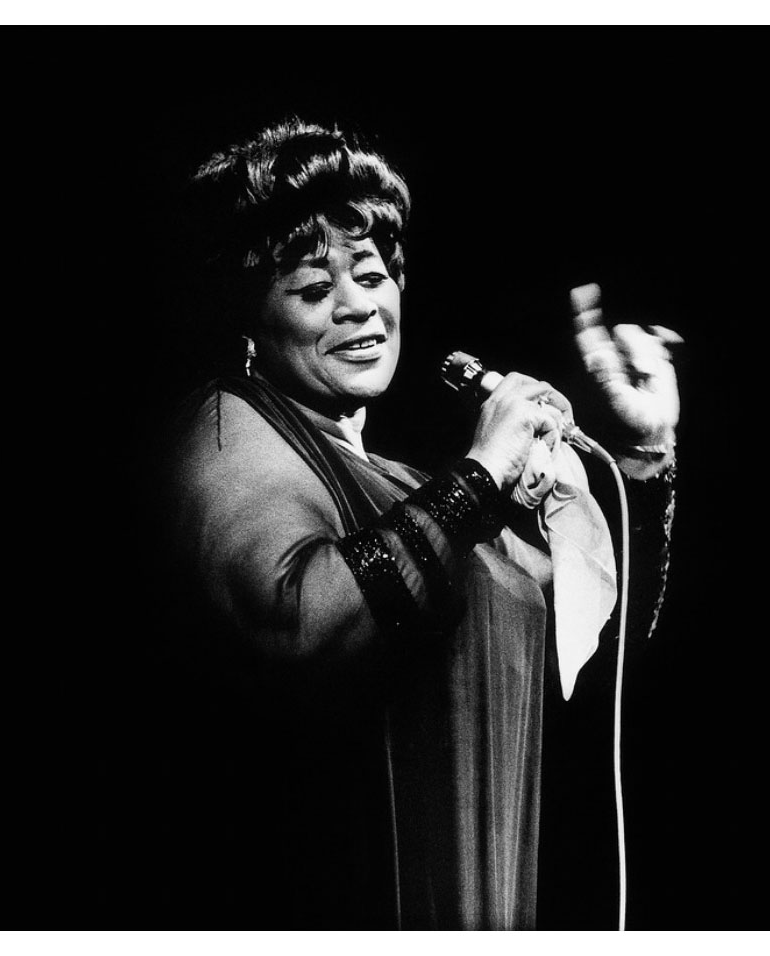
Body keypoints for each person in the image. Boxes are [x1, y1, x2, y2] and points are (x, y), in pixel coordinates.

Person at [155, 117, 681, 929]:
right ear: (249, 320)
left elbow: (592, 653)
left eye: (372, 274)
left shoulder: (412, 490)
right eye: (313, 289)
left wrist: (643, 456)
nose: (358, 306)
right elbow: (298, 623)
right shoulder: (228, 425)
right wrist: (481, 473)